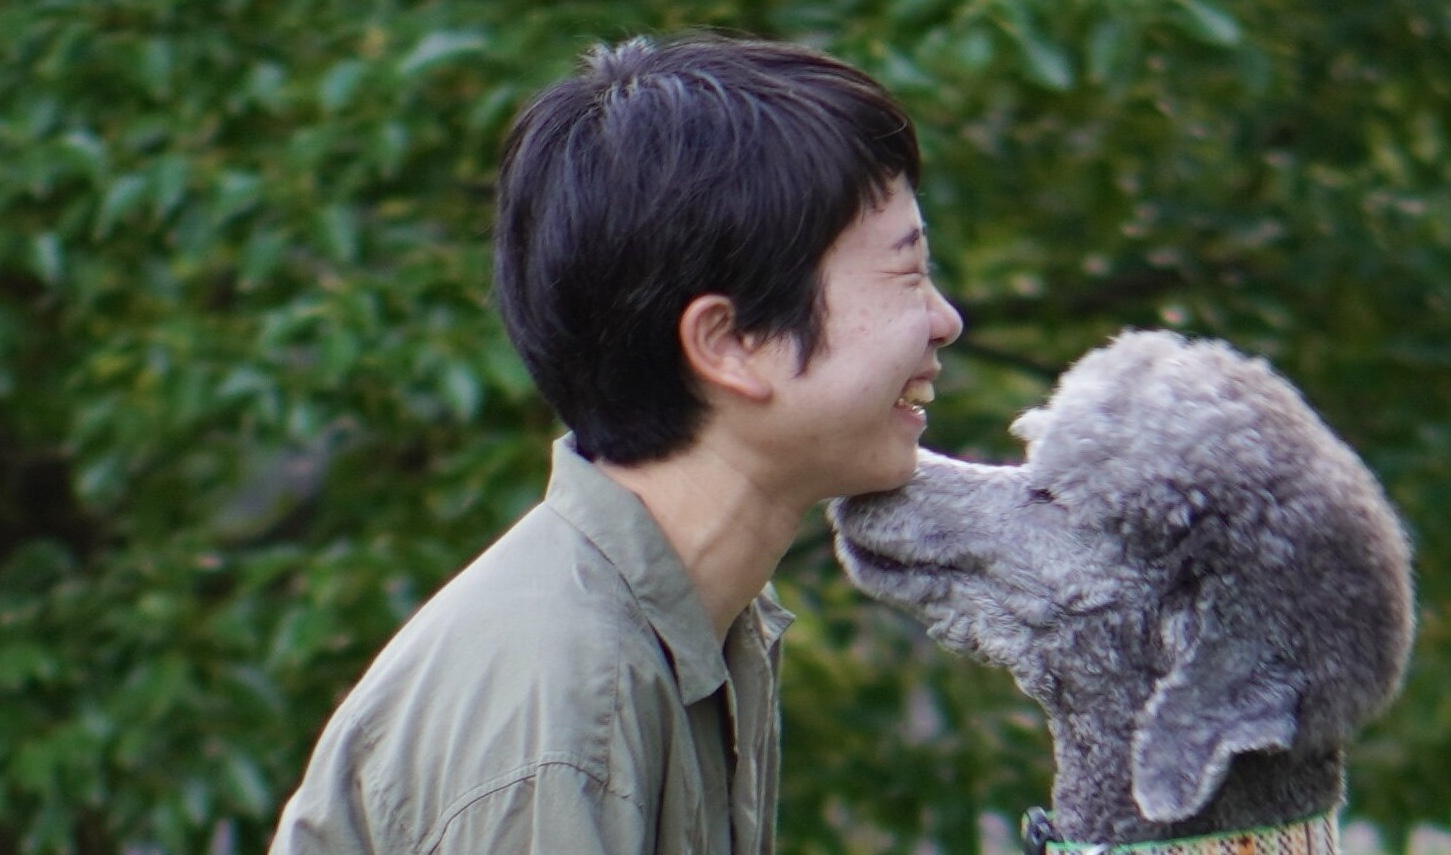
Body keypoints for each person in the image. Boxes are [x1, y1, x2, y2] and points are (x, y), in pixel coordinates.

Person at [268, 32, 963, 854]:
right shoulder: (564, 713)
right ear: (730, 341)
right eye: (905, 273)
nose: (945, 320)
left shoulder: (695, 622)